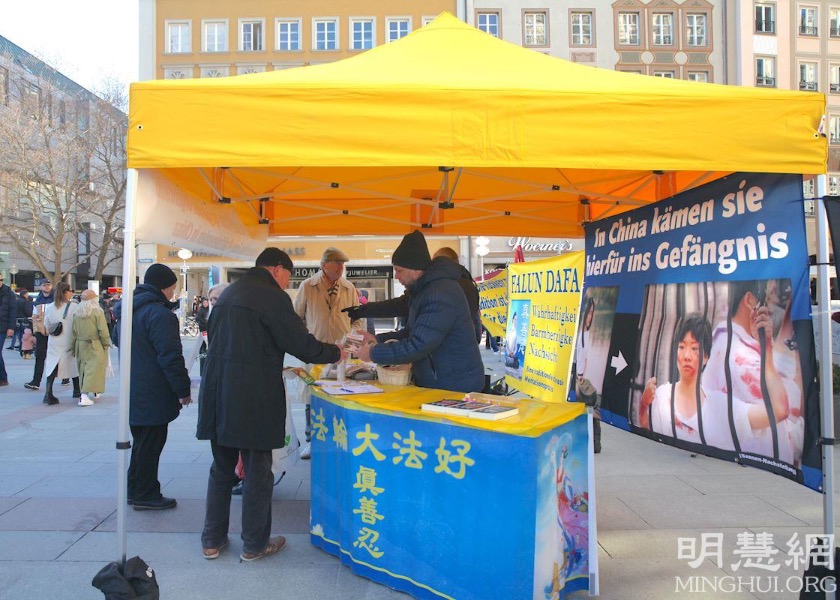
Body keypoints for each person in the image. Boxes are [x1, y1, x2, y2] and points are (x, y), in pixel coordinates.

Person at [197, 248, 344, 562]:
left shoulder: (229, 293)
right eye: (288, 277)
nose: (287, 283)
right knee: (258, 471)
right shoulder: (272, 297)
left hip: (218, 392)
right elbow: (299, 342)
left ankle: (211, 540)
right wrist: (336, 353)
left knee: (221, 468)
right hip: (252, 396)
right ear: (278, 269)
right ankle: (254, 543)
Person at [638, 312, 790, 453]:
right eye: (682, 347)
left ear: (706, 357)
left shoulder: (722, 407)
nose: (687, 356)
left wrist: (767, 349)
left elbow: (779, 411)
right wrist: (643, 406)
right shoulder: (661, 396)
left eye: (695, 348)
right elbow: (647, 437)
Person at [355, 231, 484, 393]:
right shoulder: (423, 290)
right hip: (440, 379)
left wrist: (373, 353)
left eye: (399, 270)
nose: (396, 276)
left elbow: (418, 345)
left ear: (416, 270)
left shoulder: (440, 294)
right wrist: (377, 338)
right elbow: (412, 332)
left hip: (455, 384)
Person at [701, 280, 801, 465]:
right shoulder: (738, 355)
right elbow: (785, 407)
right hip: (755, 466)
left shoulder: (730, 341)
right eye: (769, 299)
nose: (772, 310)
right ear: (749, 300)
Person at [128, 263, 192, 511]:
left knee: (141, 442)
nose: (173, 294)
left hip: (134, 387)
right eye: (172, 288)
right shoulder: (160, 315)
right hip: (153, 389)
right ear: (163, 288)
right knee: (151, 442)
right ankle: (146, 493)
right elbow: (170, 356)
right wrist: (182, 389)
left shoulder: (129, 309)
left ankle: (135, 489)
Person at [293, 247, 364, 459]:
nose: (342, 268)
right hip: (314, 351)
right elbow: (296, 318)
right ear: (325, 265)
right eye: (337, 264)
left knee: (340, 394)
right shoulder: (307, 286)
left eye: (343, 264)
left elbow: (357, 318)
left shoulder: (348, 287)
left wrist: (354, 337)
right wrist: (305, 340)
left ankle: (339, 438)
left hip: (341, 352)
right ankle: (312, 441)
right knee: (311, 396)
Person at [343, 247, 483, 343]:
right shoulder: (463, 284)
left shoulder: (441, 289)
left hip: (449, 366)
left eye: (400, 271)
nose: (397, 276)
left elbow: (419, 339)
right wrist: (363, 311)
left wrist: (377, 349)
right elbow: (402, 308)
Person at [71, 289, 111, 407]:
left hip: (80, 343)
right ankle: (84, 395)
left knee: (83, 368)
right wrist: (106, 343)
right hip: (94, 344)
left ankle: (91, 391)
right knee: (93, 369)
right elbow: (103, 331)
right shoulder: (97, 312)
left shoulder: (76, 312)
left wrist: (73, 348)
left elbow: (73, 332)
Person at [42, 282, 80, 405]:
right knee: (73, 363)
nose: (71, 292)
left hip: (54, 340)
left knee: (52, 364)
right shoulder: (74, 307)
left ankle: (48, 392)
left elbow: (46, 325)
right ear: (65, 292)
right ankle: (77, 390)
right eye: (70, 290)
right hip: (68, 339)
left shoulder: (50, 307)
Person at [574, 297, 601, 453]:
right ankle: (590, 441)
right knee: (585, 410)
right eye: (588, 312)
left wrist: (581, 376)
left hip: (583, 378)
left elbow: (586, 359)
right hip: (580, 377)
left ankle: (595, 442)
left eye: (592, 313)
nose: (590, 316)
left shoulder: (587, 335)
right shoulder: (581, 333)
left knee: (591, 410)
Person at [25, 281, 53, 391]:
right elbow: (34, 318)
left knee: (58, 356)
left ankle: (65, 377)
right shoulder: (38, 301)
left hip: (55, 332)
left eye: (48, 284)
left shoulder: (56, 300)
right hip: (41, 333)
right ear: (41, 287)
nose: (46, 287)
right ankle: (36, 381)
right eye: (44, 285)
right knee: (40, 356)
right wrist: (36, 331)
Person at [0, 274, 16, 386]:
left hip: (3, 326)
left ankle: (3, 378)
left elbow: (13, 311)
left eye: (1, 279)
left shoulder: (8, 293)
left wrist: (11, 327)